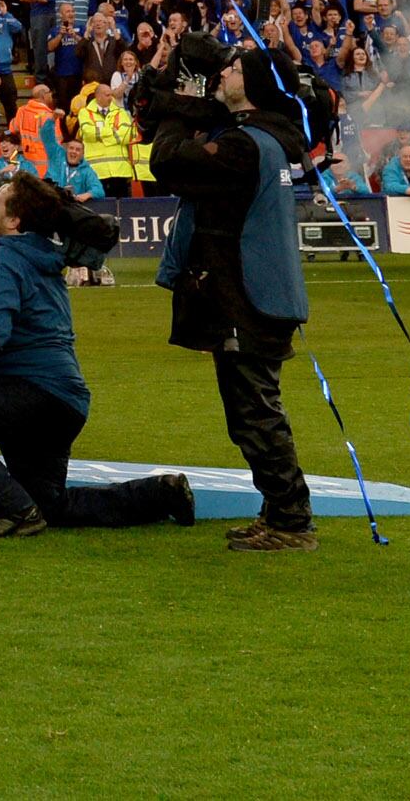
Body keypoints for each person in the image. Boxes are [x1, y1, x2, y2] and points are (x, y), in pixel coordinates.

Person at [0, 170, 198, 536]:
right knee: (50, 505)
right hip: (64, 400)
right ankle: (159, 494)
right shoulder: (43, 257)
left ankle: (15, 509)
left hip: (33, 394)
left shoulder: (4, 262)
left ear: (14, 220)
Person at [139, 37, 318, 552]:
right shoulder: (264, 138)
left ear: (257, 85)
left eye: (235, 68)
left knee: (255, 414)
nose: (224, 74)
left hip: (247, 293)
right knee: (253, 412)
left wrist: (174, 107)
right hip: (255, 291)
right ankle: (278, 511)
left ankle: (291, 521)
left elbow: (169, 163)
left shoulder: (243, 144)